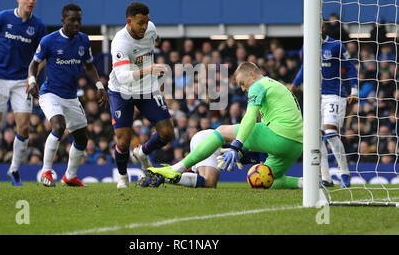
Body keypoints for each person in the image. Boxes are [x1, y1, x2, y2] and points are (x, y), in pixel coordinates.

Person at [148, 62, 304, 190]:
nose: (243, 89)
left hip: (280, 135)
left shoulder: (258, 85)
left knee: (222, 130)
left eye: (242, 83)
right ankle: (303, 183)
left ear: (251, 74)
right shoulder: (277, 85)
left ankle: (176, 169)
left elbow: (249, 117)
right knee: (264, 181)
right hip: (296, 144)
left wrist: (236, 145)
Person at [27, 3, 109, 187]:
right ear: (63, 20)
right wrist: (32, 80)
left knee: (81, 138)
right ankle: (46, 171)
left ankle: (70, 176)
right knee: (58, 125)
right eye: (72, 20)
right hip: (50, 94)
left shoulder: (83, 40)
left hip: (71, 97)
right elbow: (33, 64)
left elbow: (89, 65)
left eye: (79, 20)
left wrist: (99, 86)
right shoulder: (49, 40)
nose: (76, 24)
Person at [0, 0, 47, 187]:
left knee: (24, 127)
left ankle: (14, 170)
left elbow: (43, 56)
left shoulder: (39, 26)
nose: (31, 1)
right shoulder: (3, 17)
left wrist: (32, 75)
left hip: (21, 81)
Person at [107, 1, 174, 188]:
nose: (145, 27)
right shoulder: (120, 43)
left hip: (147, 89)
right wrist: (149, 69)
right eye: (140, 23)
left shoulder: (151, 29)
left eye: (147, 21)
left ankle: (143, 152)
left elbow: (150, 46)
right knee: (123, 140)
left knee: (168, 133)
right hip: (122, 91)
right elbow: (123, 76)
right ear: (129, 21)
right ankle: (122, 177)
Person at [291, 23, 358, 188]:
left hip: (335, 95)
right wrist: (295, 84)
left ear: (323, 29)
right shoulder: (307, 46)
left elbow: (350, 68)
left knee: (331, 133)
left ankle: (344, 173)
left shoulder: (336, 46)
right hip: (315, 97)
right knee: (316, 137)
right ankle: (326, 178)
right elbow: (305, 67)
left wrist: (354, 90)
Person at [138, 129, 263, 188]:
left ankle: (160, 178)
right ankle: (163, 176)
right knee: (209, 182)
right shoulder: (267, 147)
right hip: (209, 140)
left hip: (204, 137)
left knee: (200, 180)